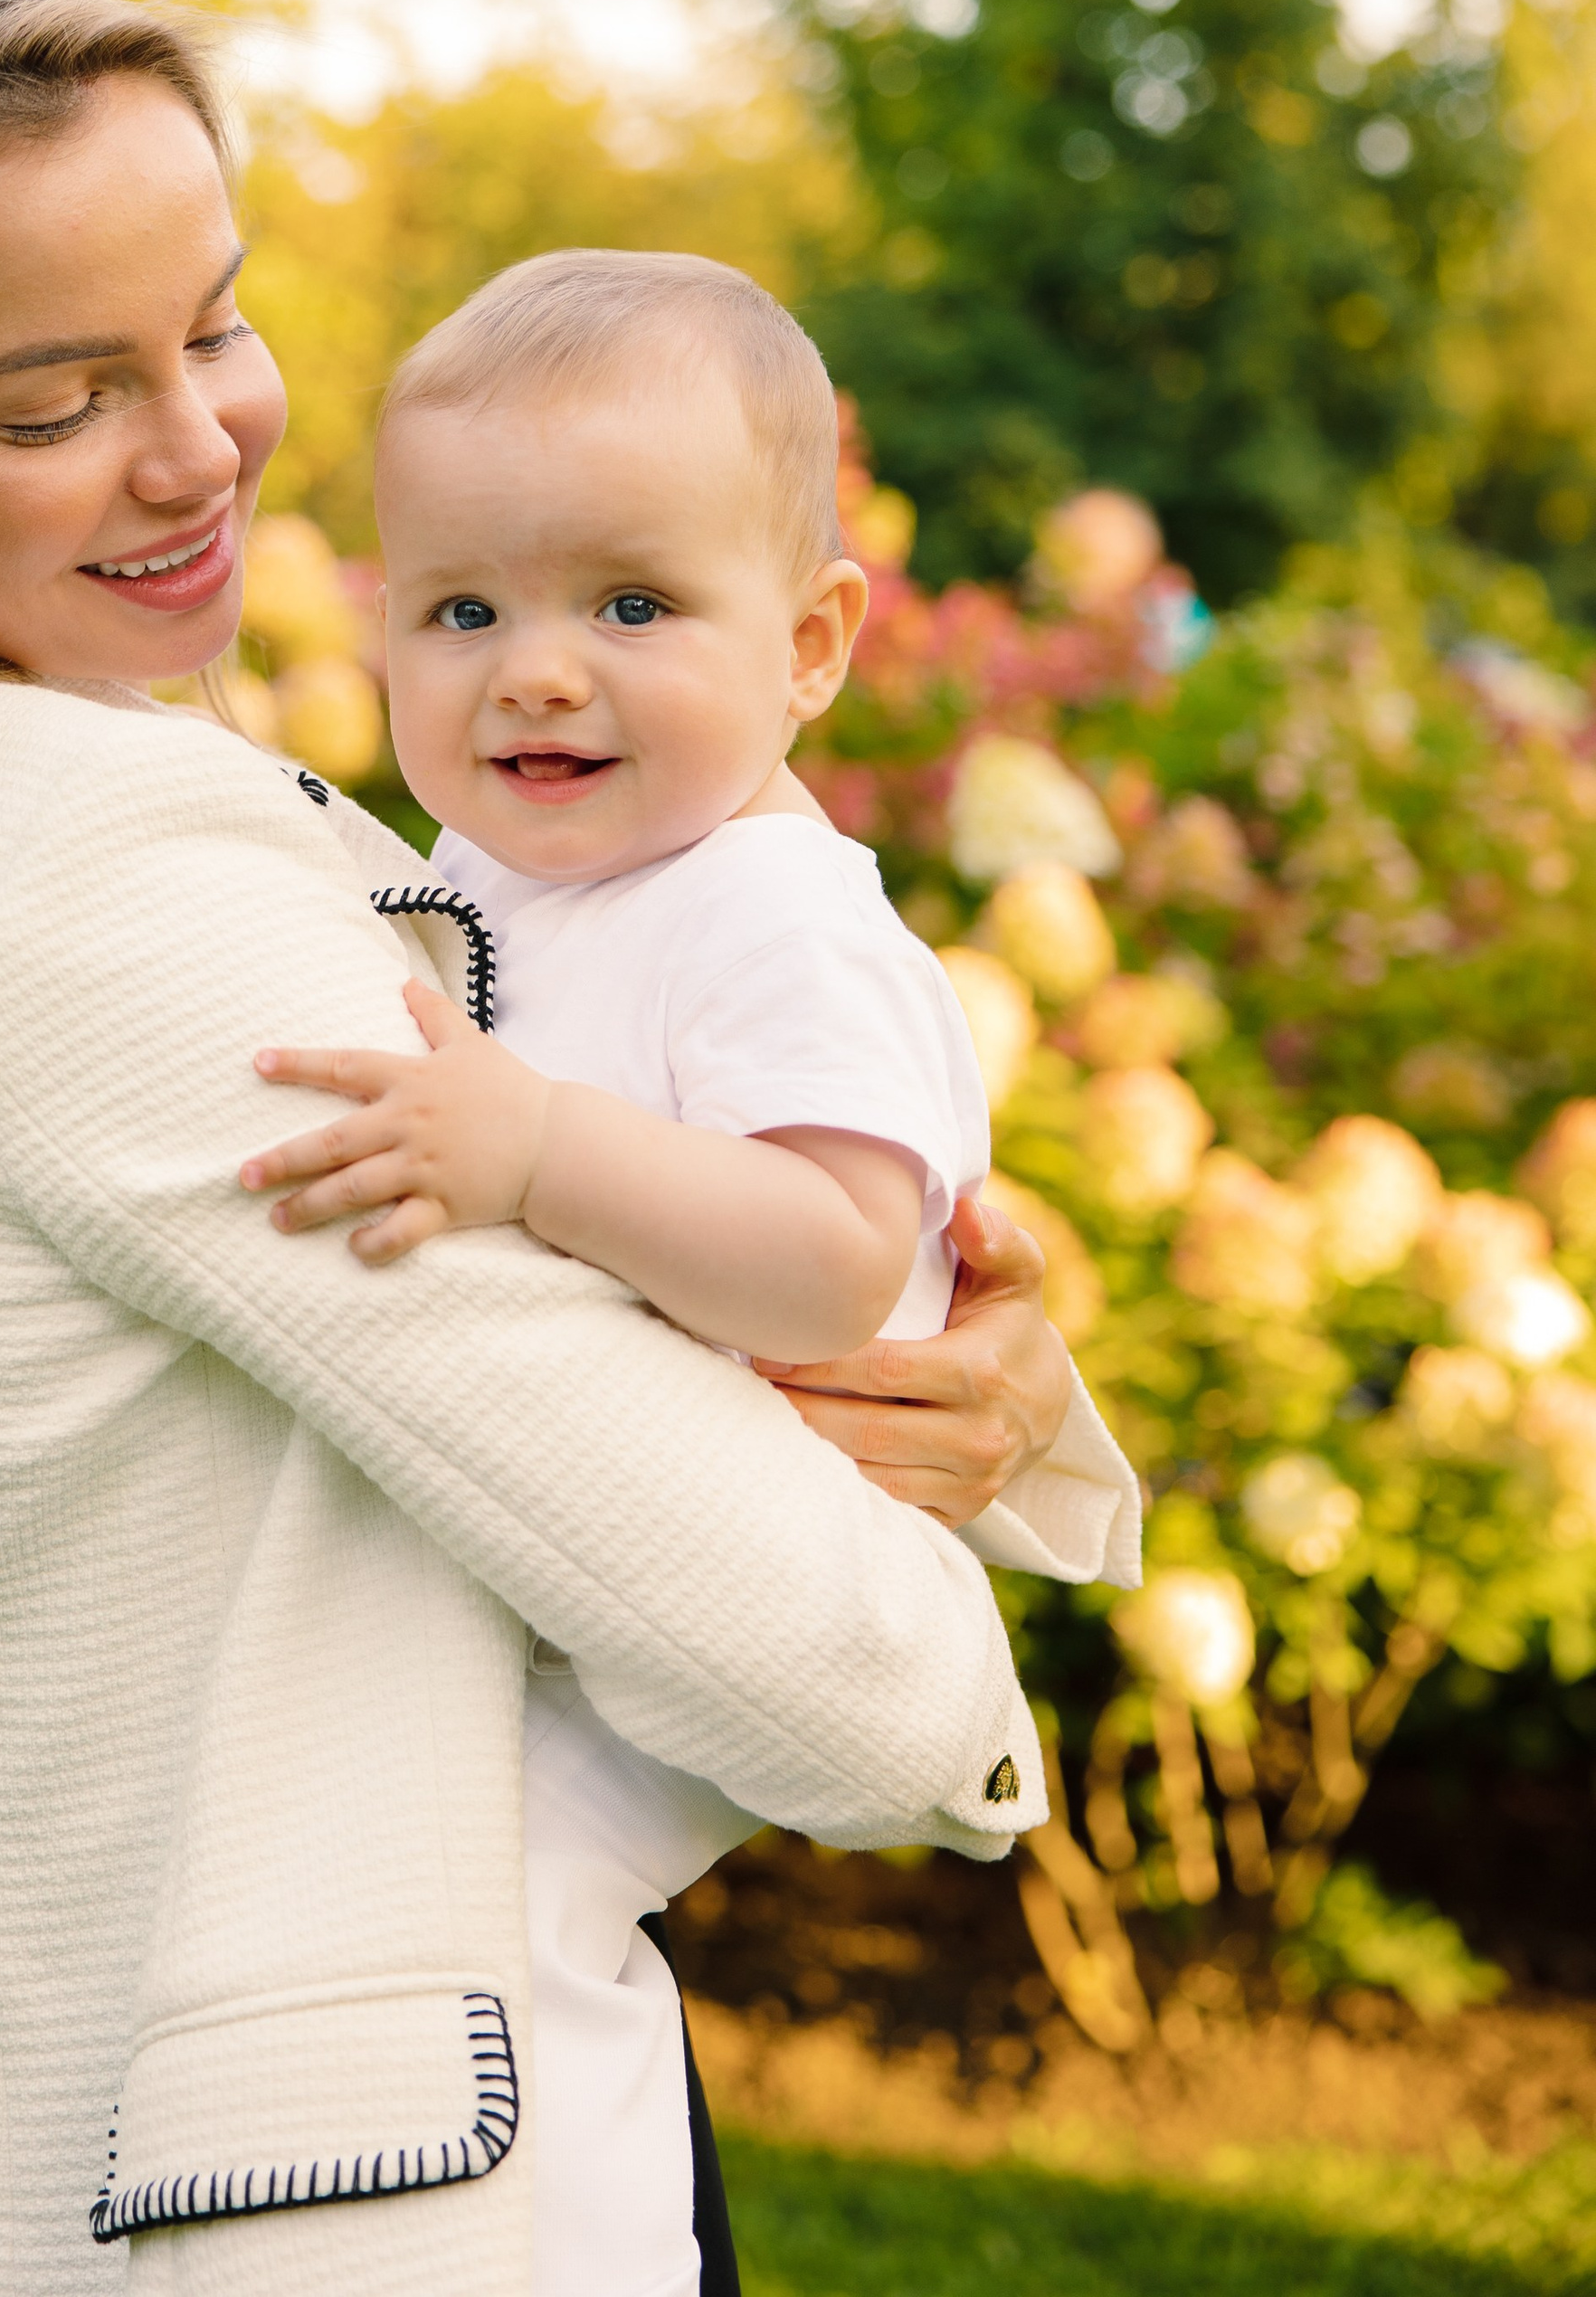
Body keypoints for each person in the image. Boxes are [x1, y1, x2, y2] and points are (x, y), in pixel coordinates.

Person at [0, 0, 1133, 2297]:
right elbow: (835, 1680)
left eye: (214, 323)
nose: (201, 451)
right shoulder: (88, 887)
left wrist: (941, 1362)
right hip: (348, 2205)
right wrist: (931, 1585)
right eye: (55, 401)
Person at [244, 248, 1138, 2296]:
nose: (534, 673)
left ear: (812, 643)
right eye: (462, 612)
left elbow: (833, 1264)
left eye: (630, 606)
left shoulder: (765, 915)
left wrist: (539, 1152)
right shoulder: (475, 878)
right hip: (560, 1526)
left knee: (493, 1888)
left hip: (750, 1553)